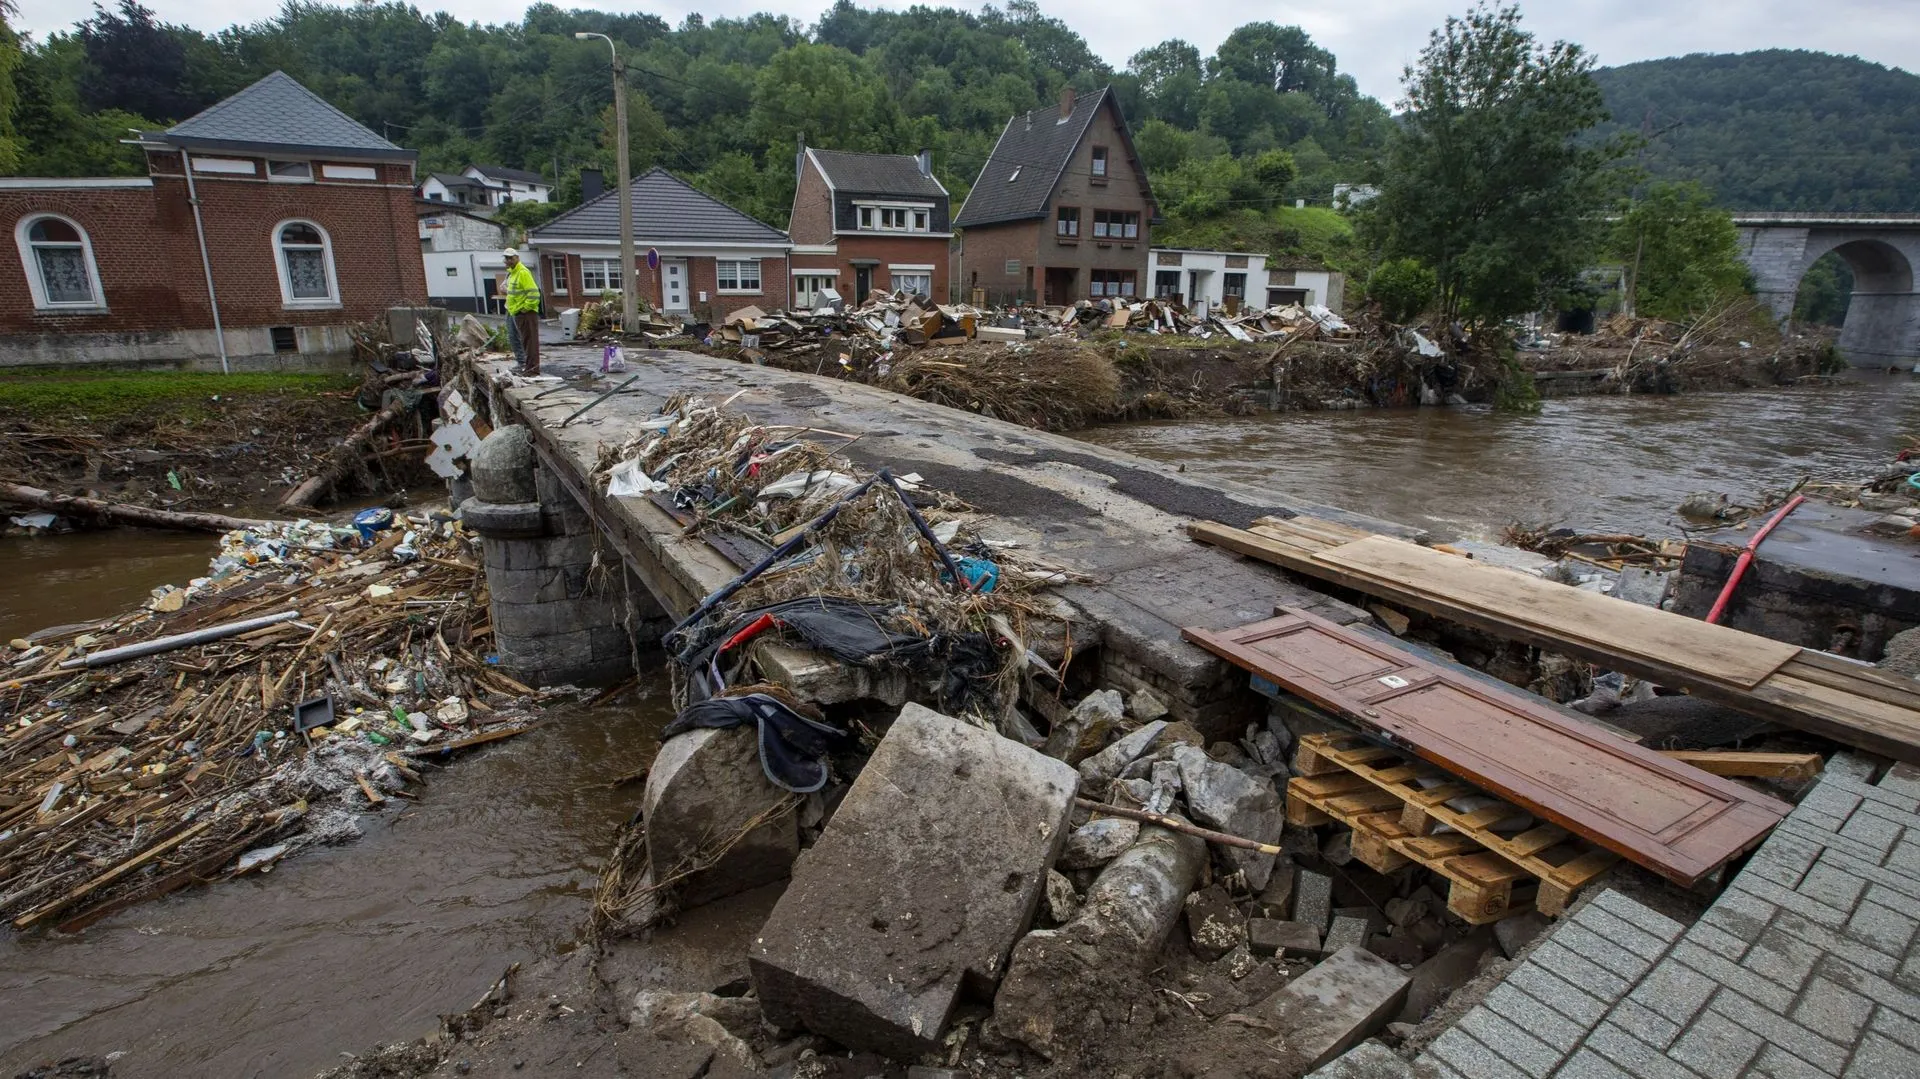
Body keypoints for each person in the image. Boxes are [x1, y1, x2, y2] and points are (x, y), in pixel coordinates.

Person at [502, 248, 542, 375]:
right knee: (515, 338)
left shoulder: (523, 272)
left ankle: (532, 369)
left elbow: (534, 293)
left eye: (511, 258)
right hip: (514, 311)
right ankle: (523, 364)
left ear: (517, 258)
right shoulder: (511, 273)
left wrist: (526, 308)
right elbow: (511, 291)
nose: (508, 261)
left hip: (525, 312)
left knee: (529, 341)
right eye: (506, 258)